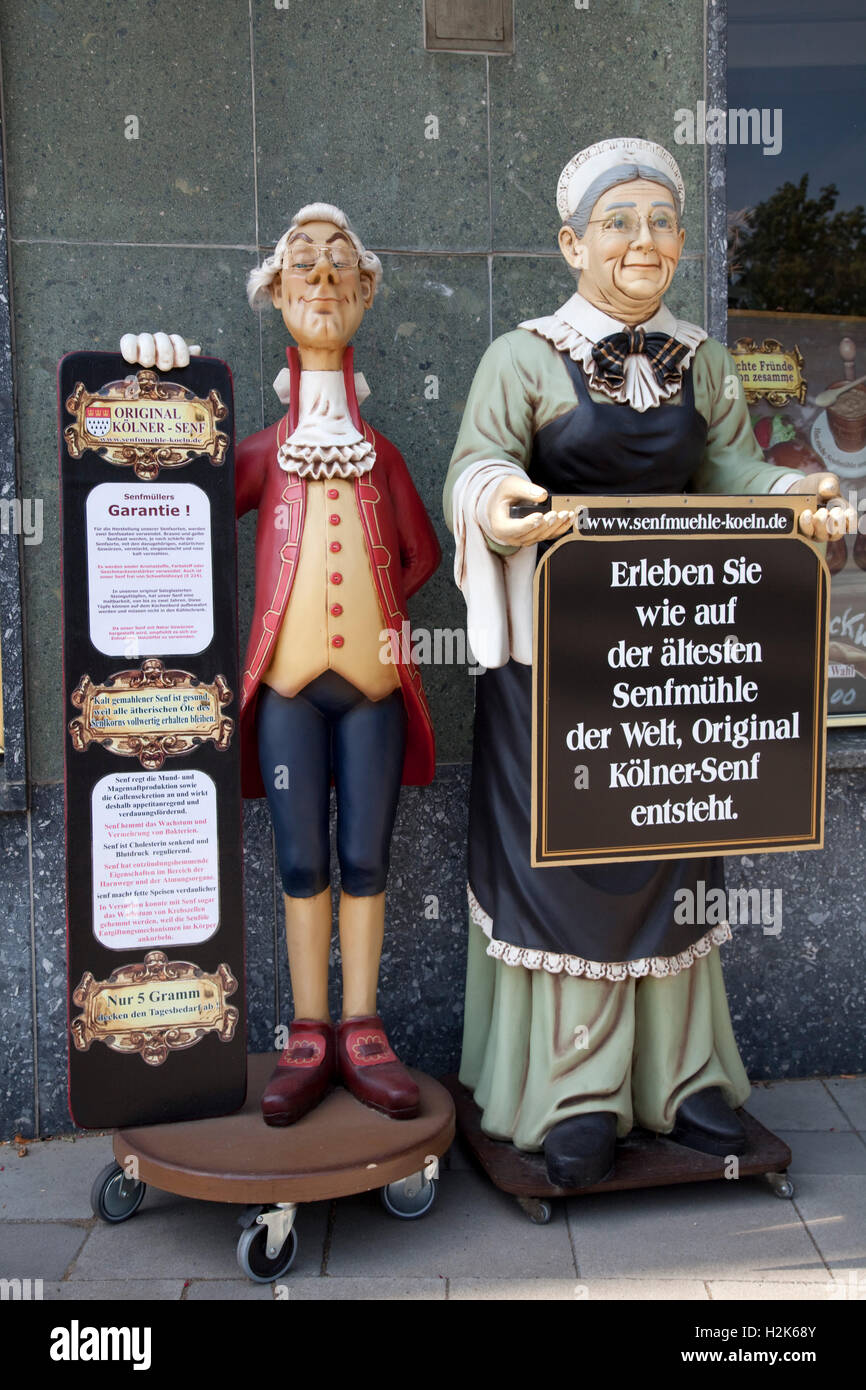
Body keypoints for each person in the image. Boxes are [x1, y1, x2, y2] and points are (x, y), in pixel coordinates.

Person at [443, 138, 856, 1188]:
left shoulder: (701, 357)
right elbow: (477, 462)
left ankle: (679, 1081)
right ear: (570, 241)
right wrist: (499, 500)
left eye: (660, 220)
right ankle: (572, 1093)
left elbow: (726, 464)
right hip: (558, 672)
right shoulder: (522, 355)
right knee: (571, 872)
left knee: (676, 862)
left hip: (674, 663)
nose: (642, 240)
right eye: (617, 220)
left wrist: (787, 496)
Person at [121, 201, 440, 1126]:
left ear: (367, 289)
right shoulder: (263, 451)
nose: (324, 278)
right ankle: (309, 1028)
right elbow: (172, 495)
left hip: (374, 694)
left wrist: (380, 623)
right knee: (303, 861)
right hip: (290, 692)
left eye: (340, 262)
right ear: (277, 291)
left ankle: (363, 1026)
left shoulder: (381, 457)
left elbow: (419, 555)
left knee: (364, 858)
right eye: (304, 263)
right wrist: (156, 383)